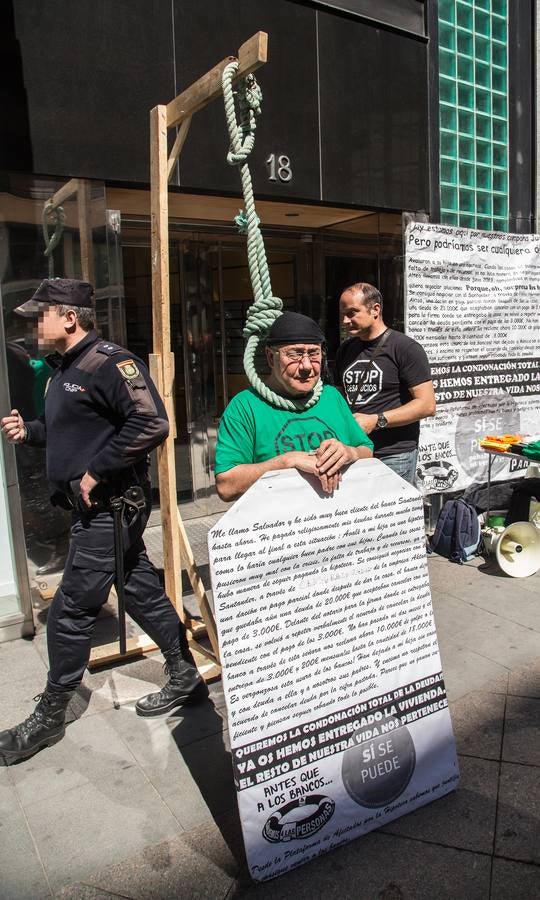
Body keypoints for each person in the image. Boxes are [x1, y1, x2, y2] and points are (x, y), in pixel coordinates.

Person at [0, 278, 208, 765]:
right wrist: (27, 431)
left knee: (72, 608)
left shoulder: (111, 363)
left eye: (40, 316)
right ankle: (183, 673)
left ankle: (52, 713)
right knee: (137, 587)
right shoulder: (65, 368)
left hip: (110, 508)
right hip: (95, 511)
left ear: (69, 317)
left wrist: (97, 471)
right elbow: (71, 430)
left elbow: (152, 422)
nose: (34, 325)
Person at [215, 311, 373, 502]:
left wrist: (350, 452)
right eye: (295, 354)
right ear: (270, 357)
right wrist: (287, 461)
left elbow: (366, 450)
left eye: (314, 353)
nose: (307, 365)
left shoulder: (332, 397)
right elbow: (226, 486)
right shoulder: (244, 406)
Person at [334, 283, 436, 484]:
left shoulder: (405, 348)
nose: (345, 320)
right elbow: (340, 396)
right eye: (343, 314)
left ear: (375, 310)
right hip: (354, 451)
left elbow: (427, 405)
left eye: (352, 313)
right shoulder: (345, 350)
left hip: (393, 454)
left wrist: (375, 420)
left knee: (393, 513)